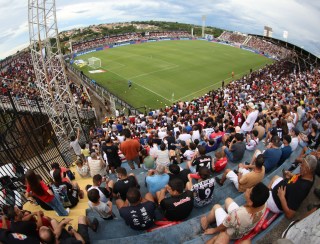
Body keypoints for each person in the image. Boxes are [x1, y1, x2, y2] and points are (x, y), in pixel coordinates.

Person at [201, 183, 270, 243]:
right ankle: (225, 214)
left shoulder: (238, 214)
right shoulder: (264, 203)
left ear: (250, 202)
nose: (247, 189)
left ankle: (206, 223)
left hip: (232, 232)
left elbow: (224, 225)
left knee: (216, 206)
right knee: (228, 200)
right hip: (244, 227)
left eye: (249, 191)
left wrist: (214, 230)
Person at [266, 155, 317, 219]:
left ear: (307, 169)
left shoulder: (300, 188)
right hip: (284, 187)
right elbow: (298, 179)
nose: (300, 166)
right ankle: (268, 191)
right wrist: (291, 175)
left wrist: (282, 197)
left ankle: (266, 195)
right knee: (275, 177)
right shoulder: (311, 175)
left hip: (275, 202)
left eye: (302, 165)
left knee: (257, 192)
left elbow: (290, 215)